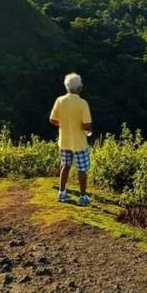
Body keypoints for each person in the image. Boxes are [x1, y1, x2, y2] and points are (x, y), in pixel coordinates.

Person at [49, 73, 93, 206]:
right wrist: (86, 129)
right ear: (79, 87)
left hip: (64, 140)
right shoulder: (82, 103)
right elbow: (87, 124)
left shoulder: (60, 100)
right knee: (82, 169)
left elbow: (52, 119)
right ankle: (83, 196)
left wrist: (63, 125)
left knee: (65, 166)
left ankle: (62, 193)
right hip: (79, 142)